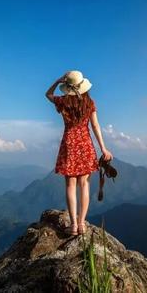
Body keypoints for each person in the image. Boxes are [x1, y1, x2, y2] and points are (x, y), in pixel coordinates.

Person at [45, 70, 114, 236]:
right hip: (85, 143)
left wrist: (57, 80)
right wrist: (103, 148)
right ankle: (82, 224)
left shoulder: (63, 102)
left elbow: (48, 94)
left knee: (70, 185)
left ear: (67, 87)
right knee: (84, 185)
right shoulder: (89, 103)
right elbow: (96, 126)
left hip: (69, 143)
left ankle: (74, 225)